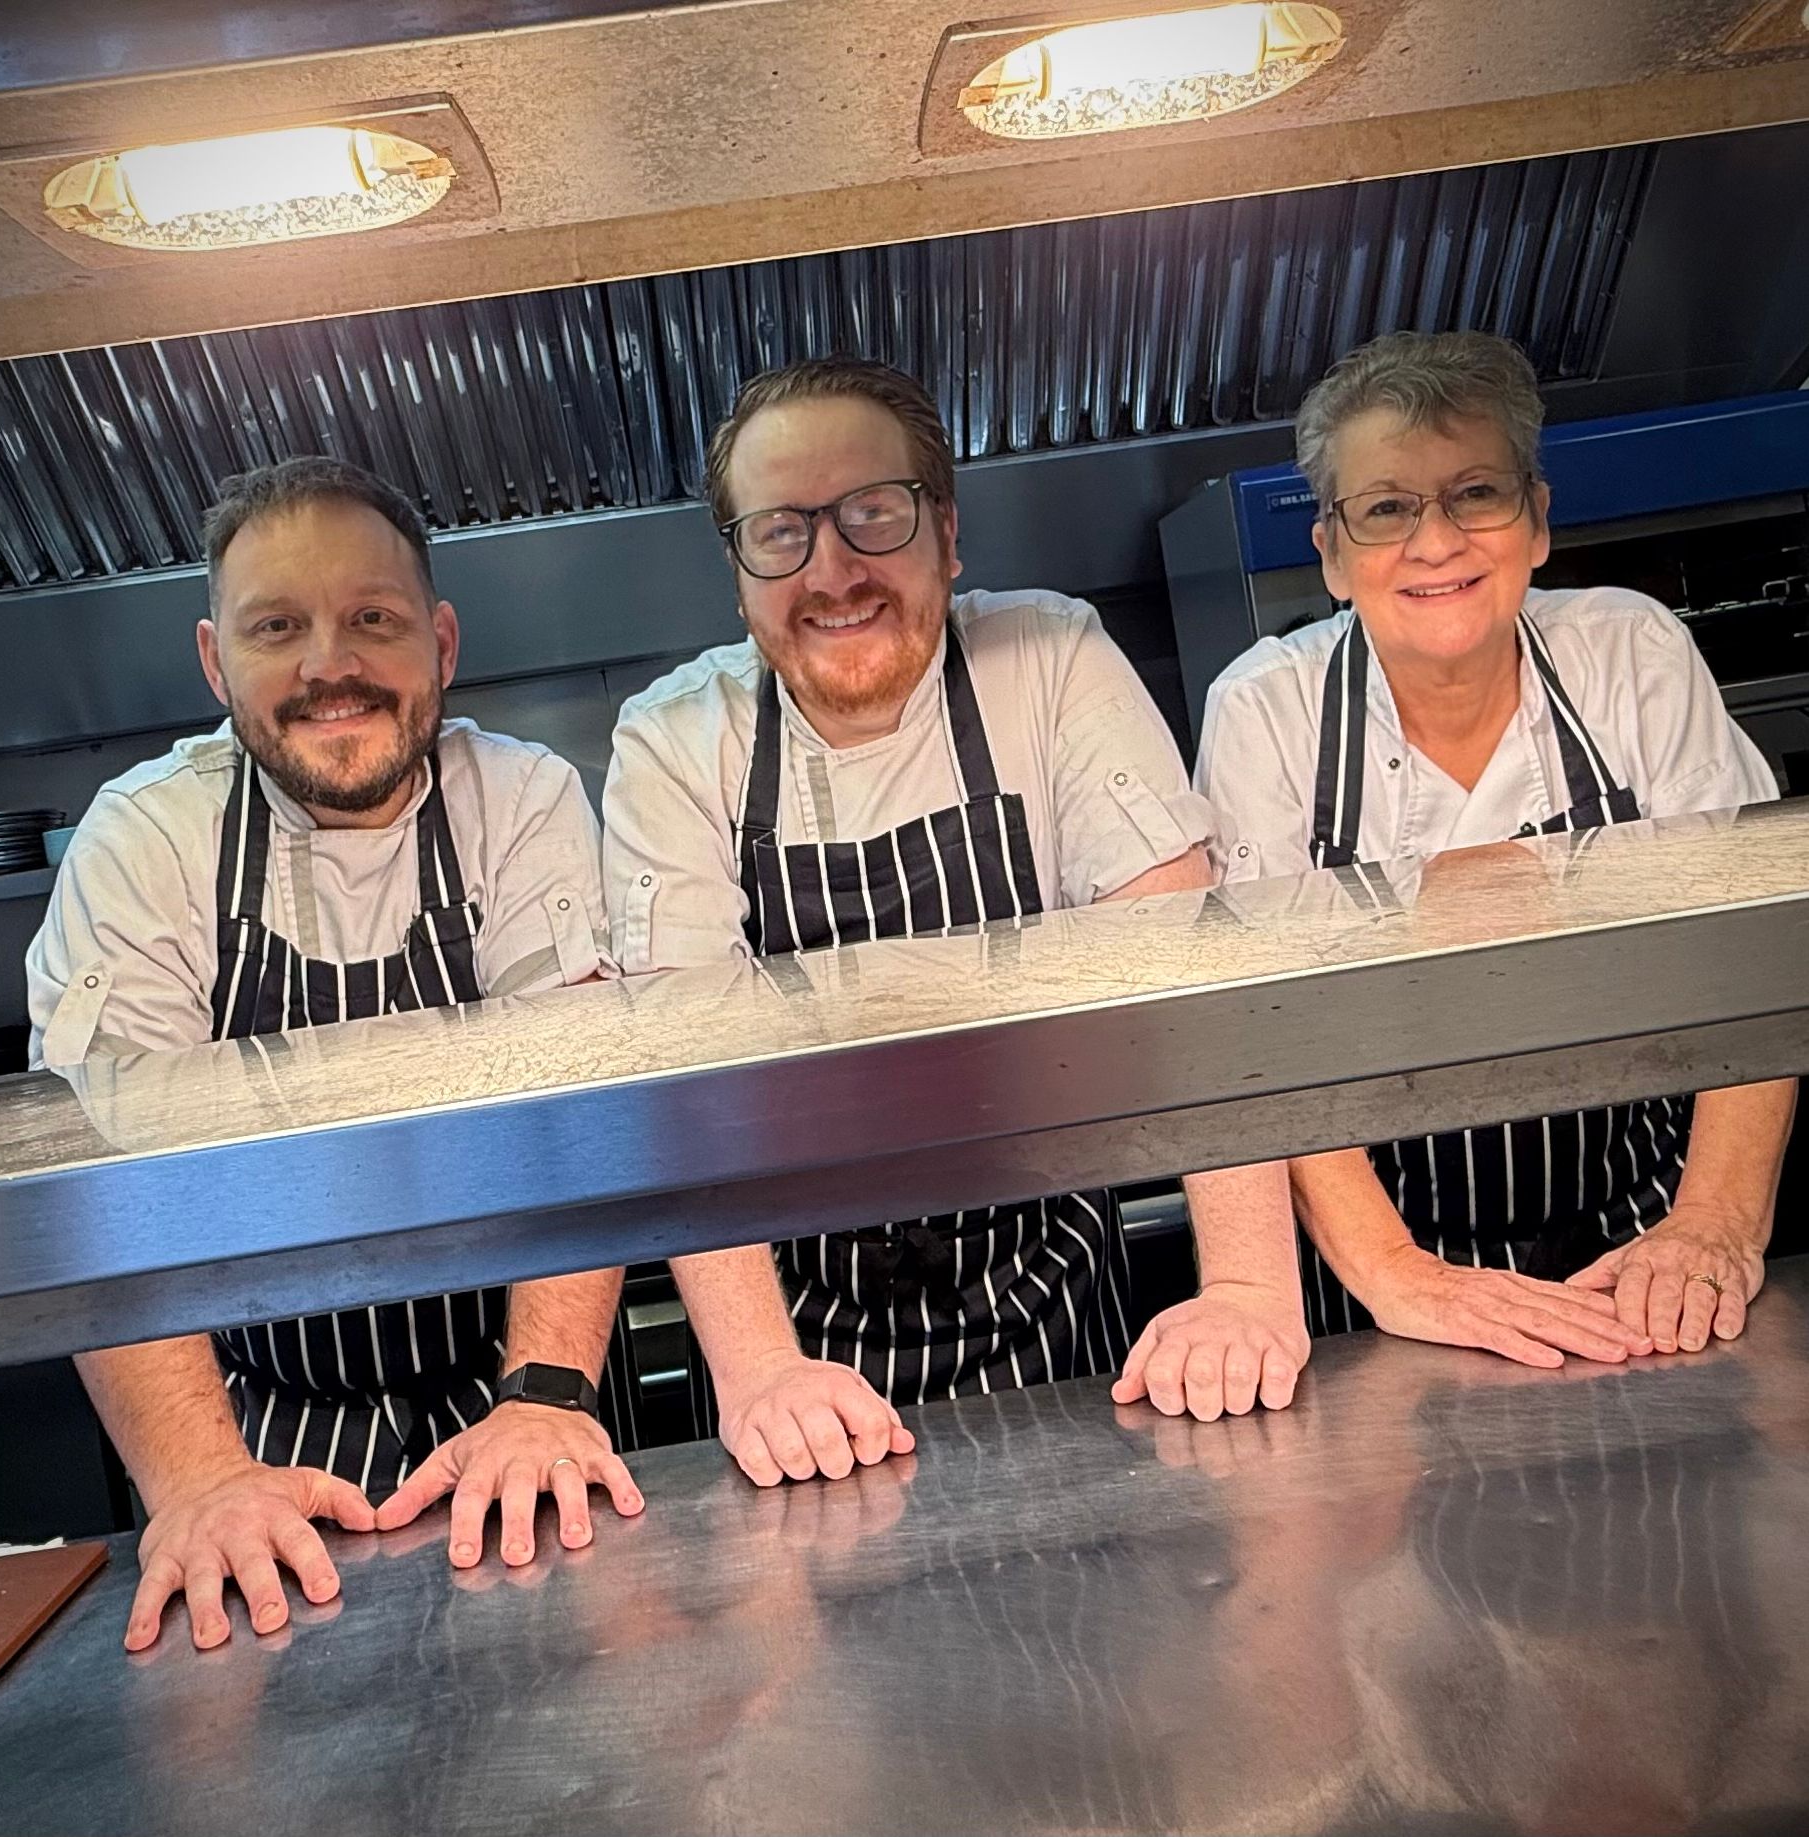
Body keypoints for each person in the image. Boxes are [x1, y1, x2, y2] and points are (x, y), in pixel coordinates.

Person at [601, 356, 1307, 1488]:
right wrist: (758, 1367)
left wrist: (1245, 1285)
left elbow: (1183, 987)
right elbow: (684, 1076)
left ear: (947, 534)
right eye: (780, 531)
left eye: (873, 515)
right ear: (737, 575)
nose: (833, 570)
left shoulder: (1047, 655)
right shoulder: (678, 741)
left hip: (1062, 1308)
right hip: (803, 1346)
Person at [26, 457, 642, 1651]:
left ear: (442, 641)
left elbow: (584, 1109)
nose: (329, 665)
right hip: (251, 1425)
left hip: (519, 1391)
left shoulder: (520, 800)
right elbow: (95, 1182)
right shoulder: (148, 836)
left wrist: (546, 1394)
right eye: (277, 627)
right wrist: (199, 1478)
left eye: (373, 618)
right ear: (215, 662)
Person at [1197, 330, 1796, 1366]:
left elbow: (1754, 960)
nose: (1435, 543)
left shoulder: (1629, 652)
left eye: (1475, 493)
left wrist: (1713, 1225)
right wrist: (1397, 1272)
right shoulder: (1267, 712)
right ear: (1332, 556)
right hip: (1389, 1266)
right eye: (1385, 508)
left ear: (1536, 522)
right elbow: (1258, 1029)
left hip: (1645, 1241)